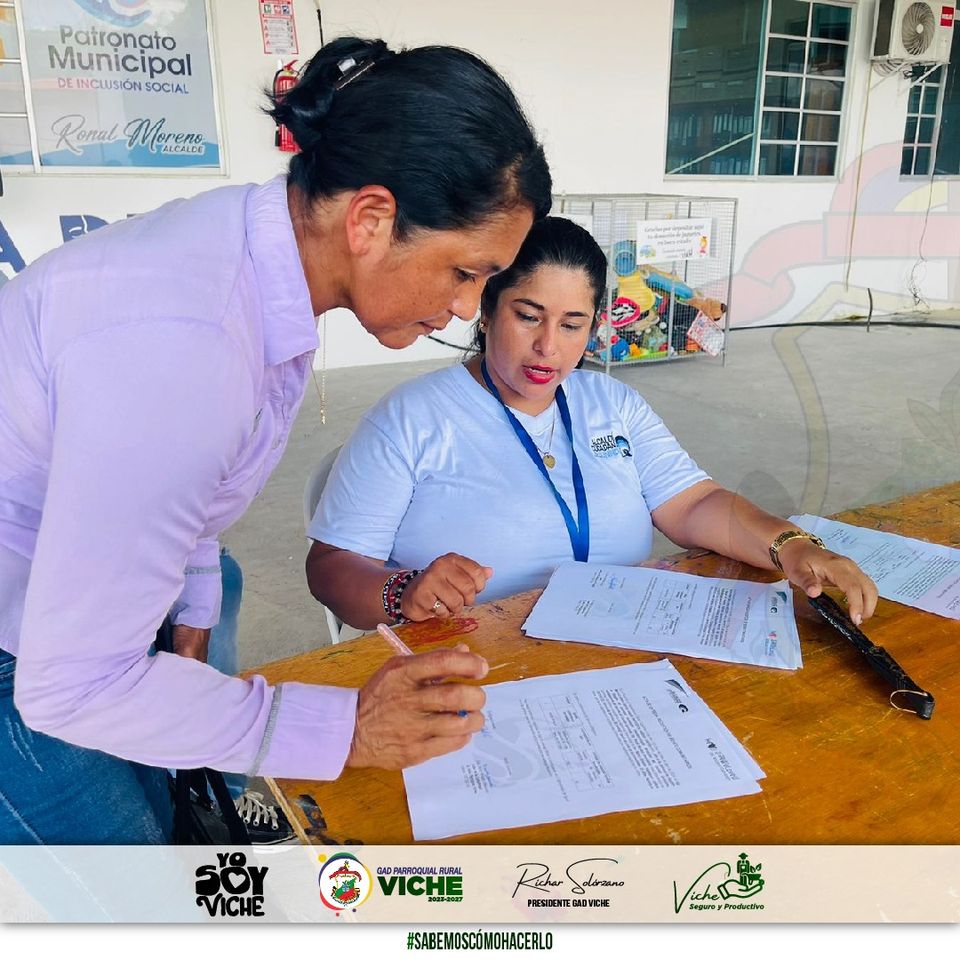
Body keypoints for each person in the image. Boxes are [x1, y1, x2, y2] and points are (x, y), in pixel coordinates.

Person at [0, 36, 552, 845]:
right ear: (370, 219)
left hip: (67, 596)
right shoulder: (187, 344)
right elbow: (73, 686)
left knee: (177, 820)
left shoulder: (254, 259)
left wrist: (193, 603)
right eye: (465, 272)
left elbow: (186, 492)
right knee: (139, 887)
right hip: (25, 644)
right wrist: (347, 730)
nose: (468, 308)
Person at [307, 217, 878, 630]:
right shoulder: (411, 419)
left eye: (572, 324)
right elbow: (331, 567)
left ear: (594, 326)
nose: (548, 347)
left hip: (620, 643)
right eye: (528, 316)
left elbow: (695, 503)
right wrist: (401, 590)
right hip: (474, 663)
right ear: (486, 309)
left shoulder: (612, 404)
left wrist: (790, 546)